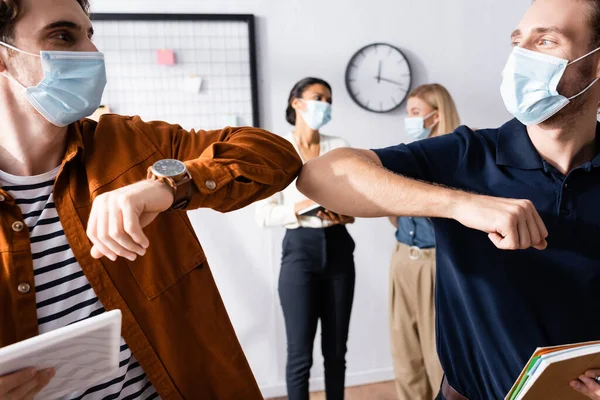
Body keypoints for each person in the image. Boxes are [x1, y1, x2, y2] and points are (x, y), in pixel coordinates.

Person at [295, 0, 600, 398]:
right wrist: (462, 204)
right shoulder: (465, 155)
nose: (522, 58)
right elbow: (321, 176)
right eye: (516, 43)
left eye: (545, 41)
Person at [0, 0, 302, 399]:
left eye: (89, 35)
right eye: (63, 36)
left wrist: (170, 185)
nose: (92, 53)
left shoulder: (133, 144)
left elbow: (274, 153)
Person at [255, 77, 355, 400]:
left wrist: (344, 212)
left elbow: (355, 202)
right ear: (296, 103)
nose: (325, 105)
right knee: (300, 354)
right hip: (299, 252)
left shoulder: (339, 146)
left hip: (339, 248)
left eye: (329, 99)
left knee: (336, 351)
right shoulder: (275, 150)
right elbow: (263, 214)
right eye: (318, 97)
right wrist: (302, 208)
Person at [388, 83, 460, 400]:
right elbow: (394, 213)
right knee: (404, 351)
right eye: (409, 113)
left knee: (437, 356)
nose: (410, 119)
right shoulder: (407, 155)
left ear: (436, 116)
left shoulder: (458, 157)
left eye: (416, 113)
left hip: (437, 264)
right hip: (402, 258)